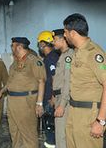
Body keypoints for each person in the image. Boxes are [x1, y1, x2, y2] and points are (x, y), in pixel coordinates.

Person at [63, 13, 106, 148]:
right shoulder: (77, 52)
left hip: (89, 115)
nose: (64, 35)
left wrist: (101, 121)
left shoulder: (93, 53)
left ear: (73, 33)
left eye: (65, 32)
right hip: (74, 111)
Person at [2, 37, 45, 148]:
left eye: (13, 45)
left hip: (26, 102)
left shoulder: (34, 61)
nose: (11, 48)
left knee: (28, 134)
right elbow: (10, 81)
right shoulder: (15, 62)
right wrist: (1, 91)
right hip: (12, 102)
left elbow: (41, 81)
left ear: (19, 47)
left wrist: (39, 103)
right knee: (14, 132)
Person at [37, 31, 59, 148]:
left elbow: (55, 78)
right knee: (50, 127)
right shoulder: (51, 57)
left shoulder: (51, 58)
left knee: (50, 127)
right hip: (49, 96)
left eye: (40, 44)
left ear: (42, 44)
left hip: (50, 98)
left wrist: (53, 97)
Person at [51, 28, 73, 148]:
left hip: (64, 100)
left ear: (63, 39)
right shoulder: (62, 55)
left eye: (55, 40)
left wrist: (62, 104)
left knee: (62, 135)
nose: (53, 43)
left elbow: (68, 81)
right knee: (60, 134)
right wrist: (55, 96)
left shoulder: (69, 56)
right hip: (59, 97)